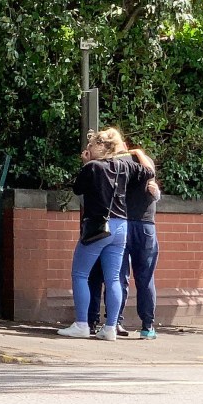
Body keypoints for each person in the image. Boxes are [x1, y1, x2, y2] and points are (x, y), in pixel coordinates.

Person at [58, 128, 153, 340]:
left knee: (80, 274)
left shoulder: (92, 167)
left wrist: (85, 163)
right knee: (113, 279)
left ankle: (82, 324)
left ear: (100, 146)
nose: (87, 149)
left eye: (90, 145)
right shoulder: (126, 166)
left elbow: (77, 189)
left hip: (99, 226)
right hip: (121, 227)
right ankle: (110, 328)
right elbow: (149, 172)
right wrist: (138, 154)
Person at [87, 141, 161, 340]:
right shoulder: (144, 163)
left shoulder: (116, 165)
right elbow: (153, 186)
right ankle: (147, 326)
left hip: (122, 224)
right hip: (145, 224)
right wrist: (140, 152)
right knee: (145, 278)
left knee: (118, 277)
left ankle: (115, 321)